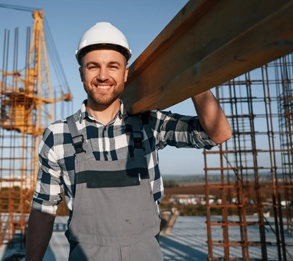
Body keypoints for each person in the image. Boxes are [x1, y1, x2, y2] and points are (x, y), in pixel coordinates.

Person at [26, 22, 232, 261]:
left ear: (125, 72)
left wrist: (193, 75)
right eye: (93, 66)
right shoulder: (58, 135)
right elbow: (43, 210)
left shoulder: (149, 123)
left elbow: (217, 134)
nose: (103, 76)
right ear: (81, 72)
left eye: (113, 66)